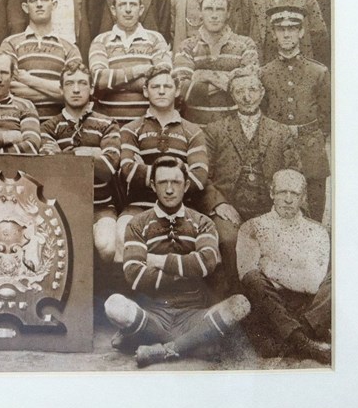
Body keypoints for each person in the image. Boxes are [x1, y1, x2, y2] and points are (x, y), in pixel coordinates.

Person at [104, 156, 250, 367]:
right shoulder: (137, 224)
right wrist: (188, 268)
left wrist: (158, 261)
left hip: (194, 315)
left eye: (176, 182)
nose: (170, 190)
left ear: (187, 185)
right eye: (163, 183)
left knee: (240, 304)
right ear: (153, 185)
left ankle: (164, 348)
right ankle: (192, 344)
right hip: (154, 314)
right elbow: (135, 276)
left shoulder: (202, 223)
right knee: (113, 305)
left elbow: (206, 264)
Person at [200, 67, 300, 294]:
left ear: (262, 92)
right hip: (229, 208)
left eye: (252, 90)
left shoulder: (281, 132)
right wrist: (219, 204)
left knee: (274, 240)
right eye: (240, 91)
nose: (247, 96)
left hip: (267, 208)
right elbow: (203, 175)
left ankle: (268, 302)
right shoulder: (215, 130)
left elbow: (294, 175)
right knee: (229, 241)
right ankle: (238, 299)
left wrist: (281, 209)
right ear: (232, 95)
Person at [236, 169, 331, 363]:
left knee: (338, 279)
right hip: (270, 309)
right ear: (272, 193)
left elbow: (313, 284)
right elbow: (248, 276)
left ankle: (293, 338)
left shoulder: (317, 231)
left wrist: (271, 268)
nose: (288, 199)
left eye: (295, 194)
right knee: (253, 278)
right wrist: (296, 276)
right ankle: (302, 343)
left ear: (303, 197)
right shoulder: (252, 227)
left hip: (306, 310)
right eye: (282, 192)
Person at [118, 64, 208, 260]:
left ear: (176, 91)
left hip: (182, 208)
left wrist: (147, 170)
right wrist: (179, 171)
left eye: (167, 87)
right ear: (145, 91)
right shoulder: (131, 129)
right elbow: (128, 171)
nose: (161, 91)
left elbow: (199, 177)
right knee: (121, 238)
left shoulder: (193, 130)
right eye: (155, 86)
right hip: (139, 205)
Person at [40, 62, 121, 262]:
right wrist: (88, 152)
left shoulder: (107, 124)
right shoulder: (48, 127)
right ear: (61, 89)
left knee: (107, 245)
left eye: (82, 83)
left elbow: (108, 168)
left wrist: (67, 154)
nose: (76, 89)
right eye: (69, 83)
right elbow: (51, 167)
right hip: (59, 206)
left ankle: (103, 293)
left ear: (91, 88)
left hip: (101, 207)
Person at [260, 6, 331, 223]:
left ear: (301, 32)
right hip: (277, 148)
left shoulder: (318, 72)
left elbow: (327, 115)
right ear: (274, 34)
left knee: (314, 211)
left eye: (293, 28)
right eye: (281, 29)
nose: (287, 34)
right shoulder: (264, 73)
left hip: (310, 148)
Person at [173, 0, 259, 125]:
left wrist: (202, 75)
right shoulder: (187, 46)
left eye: (219, 9)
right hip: (196, 130)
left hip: (233, 130)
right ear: (200, 12)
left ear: (228, 13)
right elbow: (181, 90)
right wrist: (224, 79)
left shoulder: (245, 44)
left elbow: (247, 89)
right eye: (208, 9)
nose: (214, 15)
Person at [88, 0, 171, 126]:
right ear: (114, 10)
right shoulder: (100, 40)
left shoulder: (156, 39)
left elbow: (163, 79)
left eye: (133, 4)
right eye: (122, 5)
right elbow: (99, 79)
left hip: (148, 125)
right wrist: (139, 70)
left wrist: (115, 81)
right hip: (109, 125)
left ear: (141, 9)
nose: (128, 10)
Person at [2, 0, 83, 120]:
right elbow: (9, 88)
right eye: (33, 0)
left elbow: (74, 91)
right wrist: (58, 91)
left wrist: (29, 80)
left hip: (58, 126)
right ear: (25, 7)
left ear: (54, 5)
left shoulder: (69, 48)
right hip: (20, 122)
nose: (39, 4)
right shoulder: (10, 44)